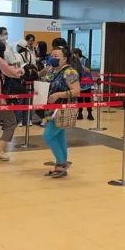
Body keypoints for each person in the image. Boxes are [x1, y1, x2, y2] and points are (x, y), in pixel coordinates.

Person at [42, 46, 81, 178]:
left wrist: (59, 95)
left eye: (56, 56)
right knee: (59, 136)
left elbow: (76, 91)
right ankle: (62, 163)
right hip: (51, 109)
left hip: (63, 109)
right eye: (52, 56)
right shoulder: (51, 70)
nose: (52, 58)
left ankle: (60, 162)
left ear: (64, 59)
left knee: (48, 136)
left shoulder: (70, 72)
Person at [73, 48, 94, 121]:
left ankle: (90, 113)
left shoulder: (85, 60)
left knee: (87, 99)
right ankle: (80, 113)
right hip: (78, 82)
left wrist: (81, 66)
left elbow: (88, 70)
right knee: (79, 99)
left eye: (74, 54)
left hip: (86, 83)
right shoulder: (74, 62)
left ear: (77, 53)